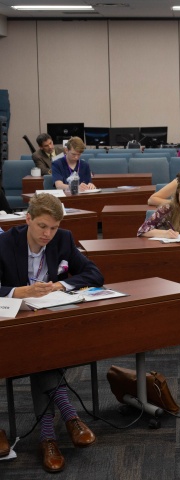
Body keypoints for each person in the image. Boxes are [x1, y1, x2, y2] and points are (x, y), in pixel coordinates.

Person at [0, 193, 103, 473]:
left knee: (44, 346)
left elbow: (94, 274)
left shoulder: (64, 239)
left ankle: (48, 437)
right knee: (40, 349)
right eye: (42, 226)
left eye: (53, 228)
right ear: (28, 219)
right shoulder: (5, 243)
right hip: (15, 326)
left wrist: (61, 286)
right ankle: (67, 416)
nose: (48, 234)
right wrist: (17, 291)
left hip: (51, 322)